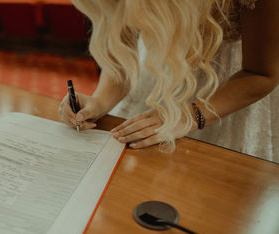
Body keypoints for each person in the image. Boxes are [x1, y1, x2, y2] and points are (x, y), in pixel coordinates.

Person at [58, 0, 279, 162]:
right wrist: (100, 100)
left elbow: (262, 74)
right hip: (157, 80)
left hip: (228, 95)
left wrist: (187, 116)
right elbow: (123, 53)